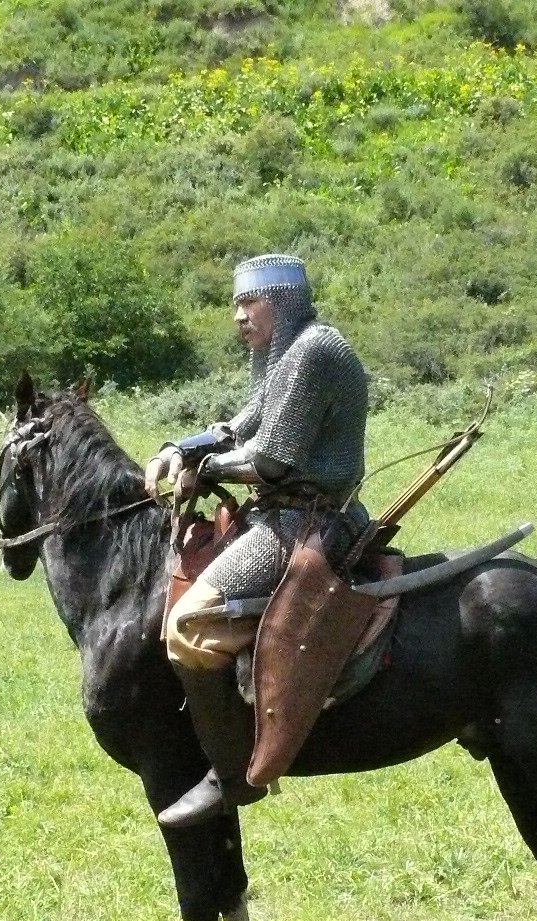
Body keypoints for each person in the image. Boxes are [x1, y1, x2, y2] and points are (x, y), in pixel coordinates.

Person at [144, 254, 370, 828]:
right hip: (280, 510)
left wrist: (205, 468)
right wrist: (183, 447)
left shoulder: (315, 351)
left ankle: (229, 771)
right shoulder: (283, 356)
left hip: (305, 521)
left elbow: (271, 459)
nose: (240, 316)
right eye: (236, 305)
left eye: (250, 303)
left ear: (282, 302)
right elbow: (242, 424)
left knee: (189, 625)